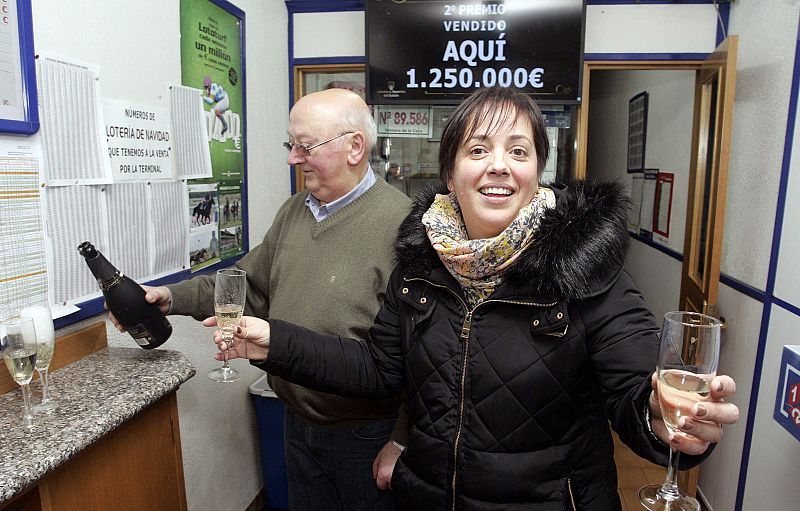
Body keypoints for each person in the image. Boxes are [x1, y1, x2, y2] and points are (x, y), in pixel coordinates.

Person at [210, 87, 740, 510]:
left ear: (537, 171)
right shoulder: (420, 269)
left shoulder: (586, 270)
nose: (498, 165)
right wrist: (274, 342)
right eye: (478, 149)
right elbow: (374, 370)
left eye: (518, 150)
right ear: (450, 174)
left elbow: (633, 388)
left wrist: (665, 414)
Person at [111, 88, 412, 510]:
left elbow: (427, 356)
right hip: (296, 422)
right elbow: (245, 287)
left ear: (355, 147)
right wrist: (166, 298)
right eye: (291, 145)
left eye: (305, 146)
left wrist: (402, 439)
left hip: (366, 434)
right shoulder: (294, 211)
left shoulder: (405, 227)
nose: (292, 158)